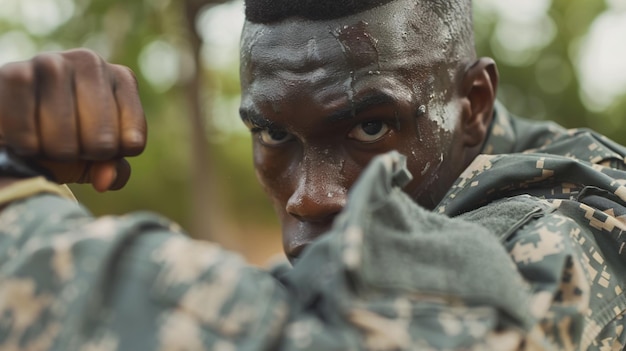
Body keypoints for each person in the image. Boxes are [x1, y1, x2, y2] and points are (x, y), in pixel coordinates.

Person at [0, 0, 625, 349]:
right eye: (273, 134)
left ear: (474, 104)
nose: (311, 197)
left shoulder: (580, 213)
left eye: (370, 129)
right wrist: (34, 179)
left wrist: (18, 212)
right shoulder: (378, 248)